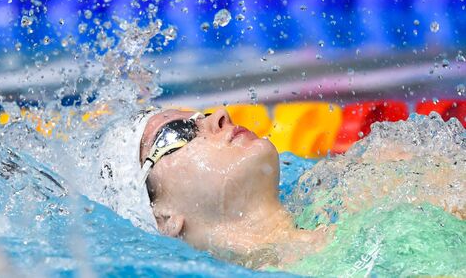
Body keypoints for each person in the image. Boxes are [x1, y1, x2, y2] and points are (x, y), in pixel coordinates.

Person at [96, 107, 465, 276]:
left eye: (200, 116)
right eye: (178, 133)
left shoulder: (378, 181)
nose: (219, 116)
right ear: (163, 218)